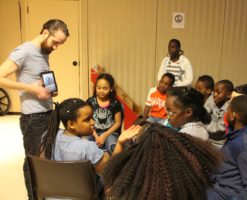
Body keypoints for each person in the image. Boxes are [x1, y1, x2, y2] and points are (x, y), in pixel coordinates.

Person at [0, 19, 69, 199]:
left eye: (60, 45)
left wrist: (47, 90)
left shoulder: (43, 52)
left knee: (46, 161)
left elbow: (36, 78)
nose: (56, 48)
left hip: (47, 114)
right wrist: (34, 89)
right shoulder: (24, 51)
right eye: (55, 42)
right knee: (34, 163)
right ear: (45, 32)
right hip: (33, 119)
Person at [39, 98, 141, 199]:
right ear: (71, 124)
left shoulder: (48, 136)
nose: (93, 122)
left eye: (92, 117)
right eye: (87, 119)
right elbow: (111, 171)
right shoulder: (87, 148)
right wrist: (120, 143)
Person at [103, 123, 223, 200]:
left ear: (138, 149)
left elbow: (109, 188)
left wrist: (119, 143)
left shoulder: (133, 184)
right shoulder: (187, 179)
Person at [207, 95, 247, 200]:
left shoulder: (242, 145)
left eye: (228, 110)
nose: (226, 113)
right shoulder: (237, 135)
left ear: (233, 116)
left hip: (224, 193)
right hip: (219, 183)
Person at [86, 73, 123, 155]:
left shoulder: (115, 103)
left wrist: (105, 135)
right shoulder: (90, 102)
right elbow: (87, 120)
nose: (101, 91)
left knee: (113, 147)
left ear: (111, 89)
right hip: (93, 132)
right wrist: (96, 136)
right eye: (98, 88)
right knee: (85, 145)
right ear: (95, 88)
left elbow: (118, 123)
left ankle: (113, 166)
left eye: (105, 88)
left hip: (110, 133)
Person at [205, 80, 234, 145]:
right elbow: (202, 113)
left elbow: (218, 129)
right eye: (214, 92)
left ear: (228, 95)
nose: (214, 95)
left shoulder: (230, 108)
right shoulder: (213, 99)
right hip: (207, 139)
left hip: (219, 144)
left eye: (218, 92)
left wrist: (202, 125)